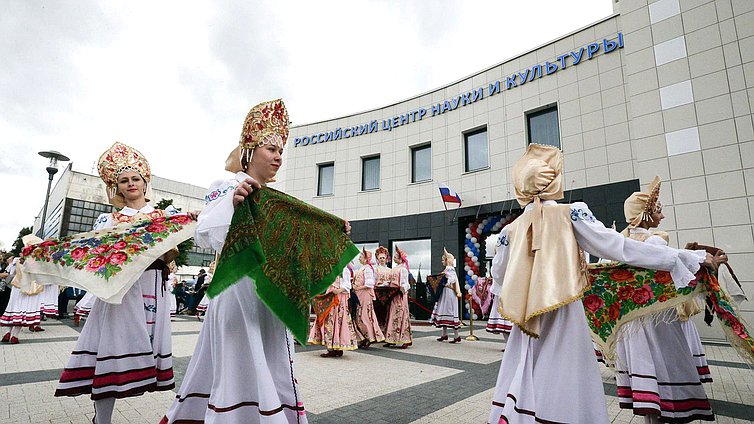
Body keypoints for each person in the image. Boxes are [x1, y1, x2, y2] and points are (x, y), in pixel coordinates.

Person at [487, 144, 714, 424]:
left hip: (525, 318)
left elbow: (499, 276)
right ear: (553, 181)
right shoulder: (570, 213)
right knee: (565, 372)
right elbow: (618, 247)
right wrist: (689, 257)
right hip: (563, 310)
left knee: (527, 370)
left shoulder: (511, 230)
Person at [164, 99, 351, 423]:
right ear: (249, 150)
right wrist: (234, 206)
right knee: (238, 370)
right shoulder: (225, 187)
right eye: (271, 148)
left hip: (270, 299)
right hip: (238, 296)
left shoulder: (276, 202)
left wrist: (331, 233)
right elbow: (208, 230)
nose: (279, 156)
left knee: (272, 365)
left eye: (281, 151)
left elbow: (293, 249)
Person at [54, 142, 182, 424]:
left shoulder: (163, 215)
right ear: (117, 187)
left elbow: (172, 253)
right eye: (124, 180)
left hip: (151, 286)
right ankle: (102, 420)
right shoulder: (109, 219)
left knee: (139, 351)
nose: (131, 183)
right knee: (109, 352)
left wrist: (158, 242)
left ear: (145, 182)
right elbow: (96, 257)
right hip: (119, 292)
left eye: (135, 179)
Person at [614, 177, 715, 422]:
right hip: (662, 318)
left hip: (633, 322)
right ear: (646, 214)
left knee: (646, 376)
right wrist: (703, 258)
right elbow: (673, 263)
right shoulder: (654, 240)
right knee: (667, 368)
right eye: (658, 210)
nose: (663, 216)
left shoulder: (619, 242)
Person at [307, 265, 360, 357]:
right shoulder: (333, 268)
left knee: (335, 320)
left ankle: (335, 347)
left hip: (338, 298)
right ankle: (333, 347)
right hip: (331, 295)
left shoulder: (344, 269)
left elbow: (347, 285)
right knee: (330, 320)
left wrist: (339, 290)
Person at [1, 244, 44, 344]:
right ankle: (14, 336)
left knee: (13, 308)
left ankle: (7, 333)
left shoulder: (17, 260)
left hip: (17, 286)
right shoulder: (38, 262)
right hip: (30, 287)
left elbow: (9, 272)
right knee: (23, 310)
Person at [352, 248, 385, 349]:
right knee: (359, 316)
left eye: (361, 257)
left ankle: (369, 337)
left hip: (364, 295)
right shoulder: (363, 268)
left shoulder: (368, 269)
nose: (359, 259)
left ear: (366, 259)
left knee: (364, 316)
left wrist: (357, 287)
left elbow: (369, 284)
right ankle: (363, 337)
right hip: (359, 294)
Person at [430, 248, 462, 343]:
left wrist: (445, 279)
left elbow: (452, 280)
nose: (442, 261)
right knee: (445, 310)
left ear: (447, 260)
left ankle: (456, 336)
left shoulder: (450, 269)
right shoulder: (447, 269)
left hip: (449, 292)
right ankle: (444, 334)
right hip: (446, 293)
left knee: (449, 311)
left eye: (443, 259)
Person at [384, 246, 412, 349]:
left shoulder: (403, 269)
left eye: (396, 256)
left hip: (399, 295)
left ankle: (405, 339)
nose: (394, 258)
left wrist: (401, 289)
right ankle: (392, 338)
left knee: (401, 315)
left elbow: (406, 283)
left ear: (400, 258)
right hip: (393, 295)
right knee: (392, 315)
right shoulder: (395, 269)